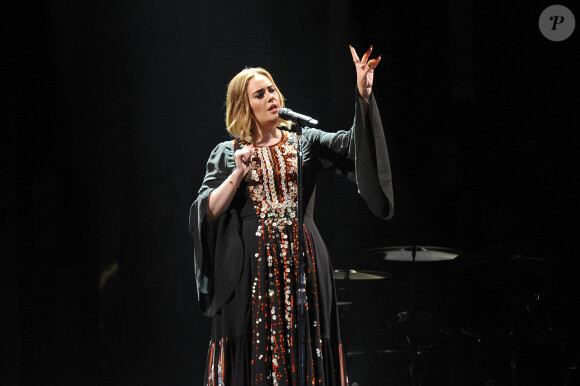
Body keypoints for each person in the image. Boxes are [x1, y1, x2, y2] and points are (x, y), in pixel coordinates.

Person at [189, 45, 394, 385]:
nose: (270, 96)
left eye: (272, 89)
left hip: (305, 262)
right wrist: (237, 174)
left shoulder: (305, 141)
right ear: (244, 106)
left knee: (305, 345)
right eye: (260, 93)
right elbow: (205, 211)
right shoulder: (228, 153)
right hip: (250, 272)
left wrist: (363, 96)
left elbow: (355, 148)